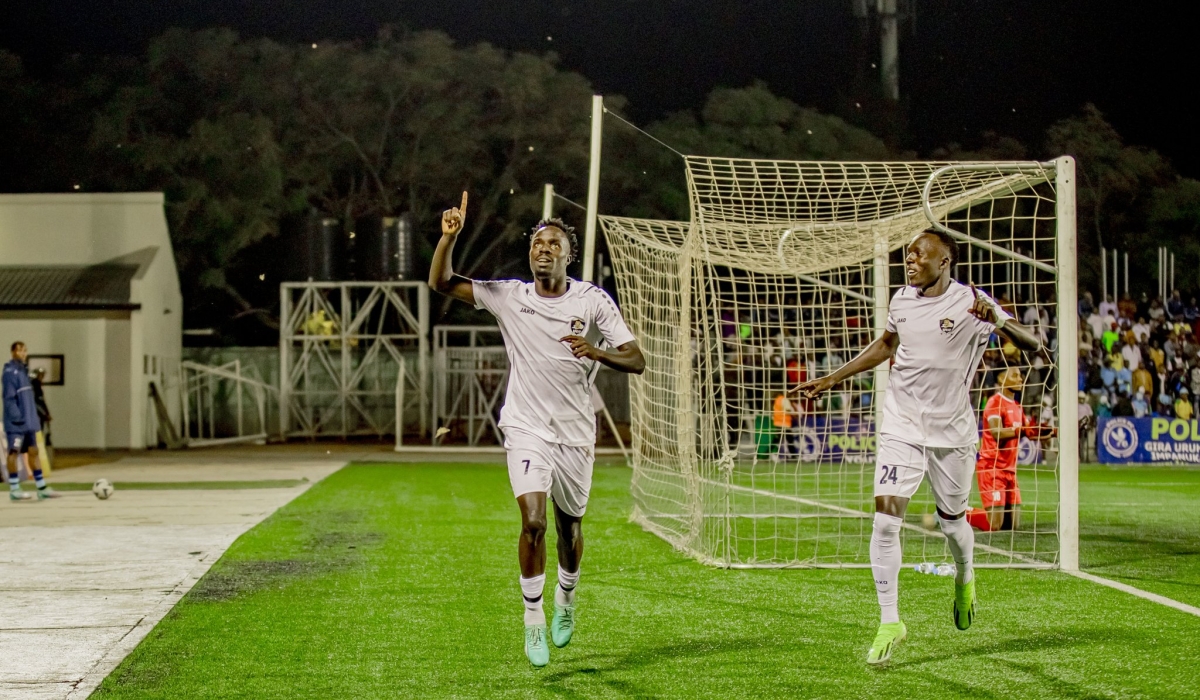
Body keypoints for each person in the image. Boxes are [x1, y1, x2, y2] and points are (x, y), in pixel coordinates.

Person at [792, 230, 1040, 666]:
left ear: (944, 262)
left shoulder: (971, 301)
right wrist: (832, 379)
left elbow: (1034, 346)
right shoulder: (902, 300)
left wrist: (998, 319)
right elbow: (886, 345)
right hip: (901, 426)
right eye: (908, 254)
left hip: (952, 434)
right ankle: (890, 620)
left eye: (919, 255)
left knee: (951, 524)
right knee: (885, 520)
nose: (910, 261)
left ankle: (965, 576)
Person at [427, 192, 645, 668]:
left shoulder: (592, 301)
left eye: (553, 244)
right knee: (533, 521)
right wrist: (449, 238)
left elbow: (636, 359)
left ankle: (566, 600)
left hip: (575, 434)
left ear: (568, 255)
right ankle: (533, 620)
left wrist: (599, 352)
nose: (543, 249)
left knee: (569, 529)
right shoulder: (510, 295)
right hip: (526, 428)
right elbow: (442, 282)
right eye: (537, 244)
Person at [975, 367, 1036, 531]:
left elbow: (1030, 432)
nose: (1020, 379)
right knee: (995, 525)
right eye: (1015, 375)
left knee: (1012, 526)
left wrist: (1059, 431)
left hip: (1010, 471)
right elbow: (996, 432)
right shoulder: (994, 402)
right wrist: (1021, 430)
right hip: (992, 468)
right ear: (1001, 379)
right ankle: (956, 514)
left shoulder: (1017, 405)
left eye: (1020, 376)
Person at [3, 342, 60, 500]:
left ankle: (41, 487)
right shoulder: (9, 372)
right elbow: (9, 398)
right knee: (13, 452)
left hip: (28, 422)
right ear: (13, 352)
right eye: (20, 350)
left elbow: (31, 399)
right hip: (16, 423)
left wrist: (32, 418)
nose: (23, 353)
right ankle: (14, 489)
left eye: (25, 350)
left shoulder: (24, 371)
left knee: (34, 452)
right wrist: (17, 417)